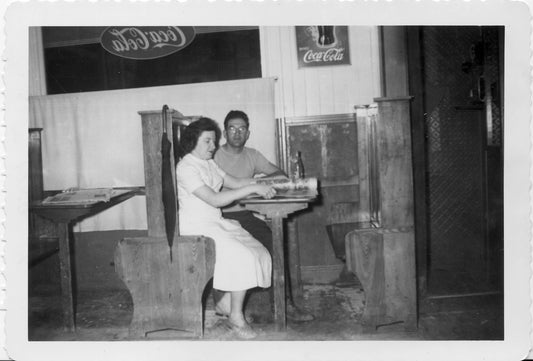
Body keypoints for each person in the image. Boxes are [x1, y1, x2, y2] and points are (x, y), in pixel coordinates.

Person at [176, 117, 276, 339]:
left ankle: (224, 305)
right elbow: (214, 199)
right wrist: (254, 188)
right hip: (196, 225)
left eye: (214, 141)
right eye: (208, 141)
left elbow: (235, 182)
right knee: (240, 255)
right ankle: (236, 317)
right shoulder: (185, 167)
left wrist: (262, 184)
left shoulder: (208, 162)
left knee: (257, 249)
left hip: (215, 221)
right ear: (193, 141)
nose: (213, 146)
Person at [214, 110, 315, 322]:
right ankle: (223, 304)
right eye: (232, 128)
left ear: (248, 133)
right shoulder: (214, 156)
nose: (237, 133)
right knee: (231, 251)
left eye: (242, 128)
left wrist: (261, 182)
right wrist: (253, 185)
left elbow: (280, 174)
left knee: (274, 243)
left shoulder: (252, 155)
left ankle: (283, 306)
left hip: (244, 215)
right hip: (219, 217)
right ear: (224, 132)